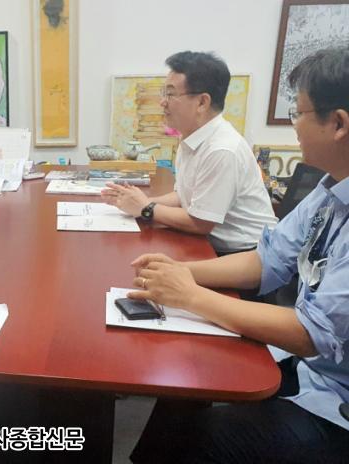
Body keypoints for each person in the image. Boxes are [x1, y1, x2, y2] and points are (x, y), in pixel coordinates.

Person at [128, 47, 349, 463]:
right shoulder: (329, 192)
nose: (294, 125)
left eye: (299, 112)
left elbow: (311, 334)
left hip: (334, 402)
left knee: (197, 437)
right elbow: (265, 260)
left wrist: (190, 295)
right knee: (186, 385)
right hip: (307, 367)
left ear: (338, 124)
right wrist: (181, 271)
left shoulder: (225, 148)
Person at [102, 51, 277, 255]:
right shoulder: (191, 137)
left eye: (171, 94)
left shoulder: (221, 150)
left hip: (249, 253)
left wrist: (146, 208)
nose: (162, 102)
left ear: (202, 102)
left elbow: (200, 223)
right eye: (164, 93)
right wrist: (135, 201)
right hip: (213, 244)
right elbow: (183, 197)